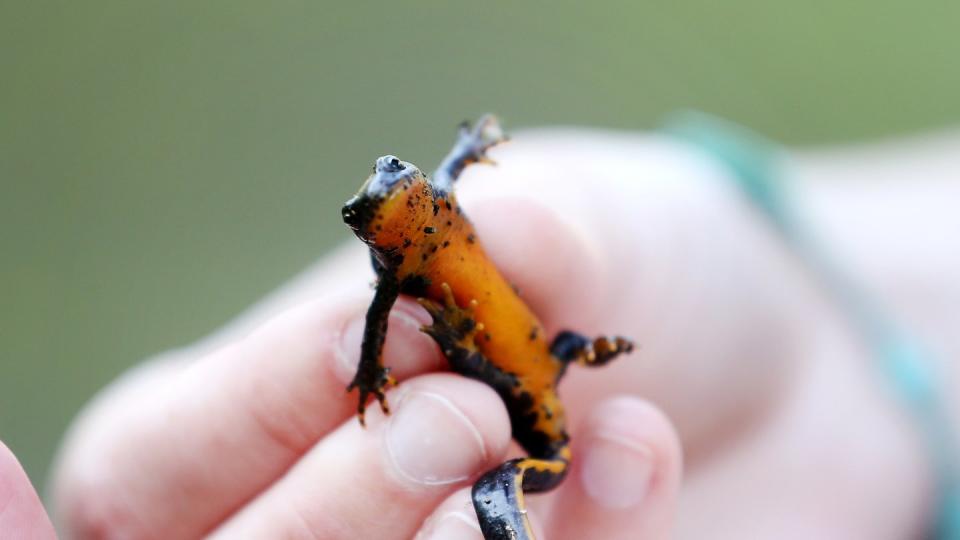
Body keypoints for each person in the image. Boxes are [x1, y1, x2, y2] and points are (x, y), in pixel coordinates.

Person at [25, 124, 959, 538]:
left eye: (400, 179)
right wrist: (365, 377)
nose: (396, 191)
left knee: (533, 368)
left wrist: (470, 147)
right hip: (506, 374)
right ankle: (503, 497)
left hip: (537, 365)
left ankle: (531, 439)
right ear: (371, 232)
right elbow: (379, 323)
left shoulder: (433, 207)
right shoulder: (396, 268)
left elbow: (453, 170)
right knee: (481, 387)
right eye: (375, 205)